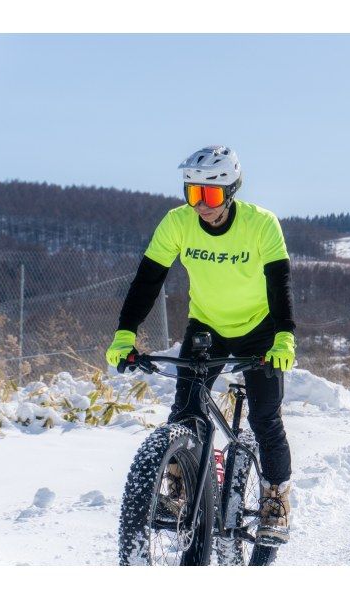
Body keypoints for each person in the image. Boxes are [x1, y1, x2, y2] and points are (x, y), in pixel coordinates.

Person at [105, 145, 295, 544]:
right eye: (192, 194)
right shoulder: (177, 224)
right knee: (186, 410)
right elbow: (148, 279)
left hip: (259, 328)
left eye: (208, 196)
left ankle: (276, 498)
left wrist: (284, 336)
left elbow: (280, 284)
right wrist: (126, 331)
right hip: (207, 326)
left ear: (230, 191)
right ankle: (181, 485)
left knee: (264, 418)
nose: (200, 206)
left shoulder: (262, 225)